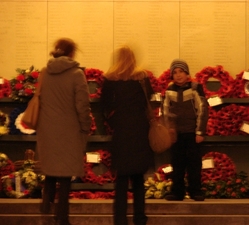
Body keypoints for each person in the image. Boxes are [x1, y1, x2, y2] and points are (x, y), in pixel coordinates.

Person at [37, 37, 91, 225]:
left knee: (51, 168)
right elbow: (82, 105)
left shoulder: (45, 72)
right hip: (69, 129)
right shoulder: (77, 75)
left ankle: (45, 205)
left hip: (48, 128)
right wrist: (86, 126)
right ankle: (62, 217)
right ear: (71, 53)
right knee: (66, 175)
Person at [100, 46, 154, 225]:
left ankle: (120, 219)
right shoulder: (142, 78)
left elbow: (105, 105)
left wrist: (114, 122)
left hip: (122, 132)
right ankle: (140, 218)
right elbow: (149, 99)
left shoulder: (110, 78)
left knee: (122, 180)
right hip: (140, 130)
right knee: (138, 179)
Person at [163, 59, 209, 201]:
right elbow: (165, 111)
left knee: (194, 164)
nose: (178, 75)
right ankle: (178, 192)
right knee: (177, 164)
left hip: (192, 133)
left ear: (187, 73)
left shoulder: (195, 88)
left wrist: (199, 132)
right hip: (176, 134)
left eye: (181, 72)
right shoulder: (169, 90)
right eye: (175, 73)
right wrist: (169, 129)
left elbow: (202, 110)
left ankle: (196, 191)